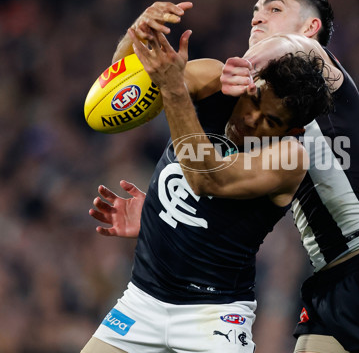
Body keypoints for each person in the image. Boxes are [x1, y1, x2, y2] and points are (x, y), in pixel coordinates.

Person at [91, 0, 359, 352]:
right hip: (328, 277)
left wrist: (246, 66)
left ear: (311, 27)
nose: (258, 18)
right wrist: (169, 211)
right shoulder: (233, 84)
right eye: (255, 11)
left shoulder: (322, 72)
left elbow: (291, 48)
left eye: (274, 9)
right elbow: (129, 92)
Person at [81, 19, 334, 352]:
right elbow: (127, 95)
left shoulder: (289, 157)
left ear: (292, 132)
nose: (251, 119)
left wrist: (173, 88)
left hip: (213, 317)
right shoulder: (215, 80)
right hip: (142, 302)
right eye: (255, 101)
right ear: (251, 81)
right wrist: (135, 37)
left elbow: (207, 177)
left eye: (271, 121)